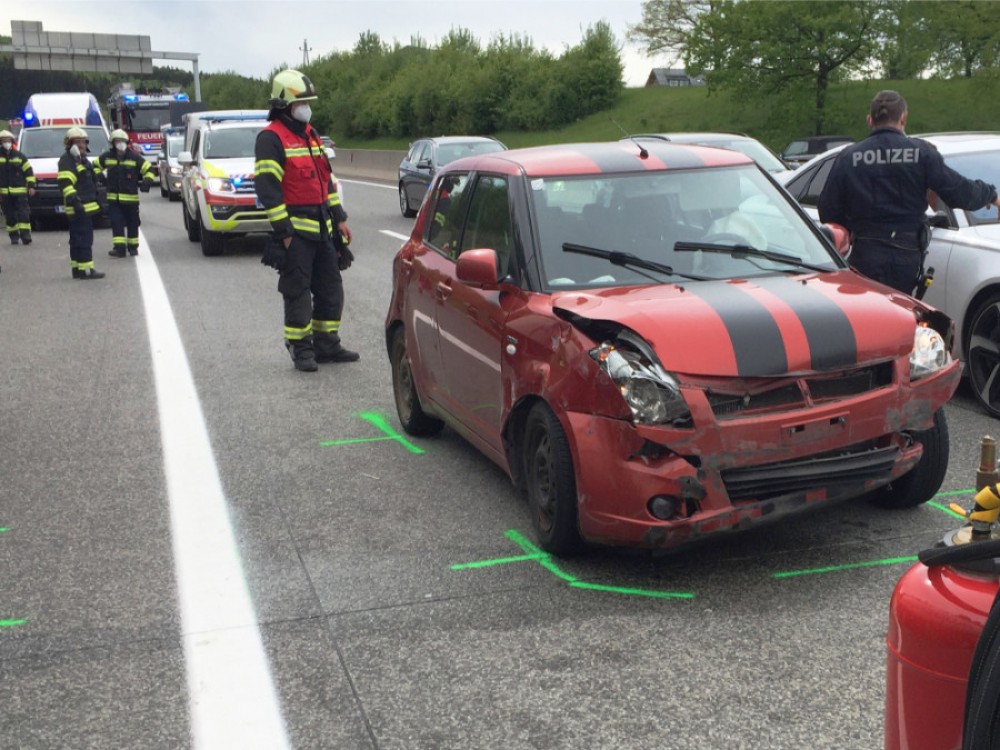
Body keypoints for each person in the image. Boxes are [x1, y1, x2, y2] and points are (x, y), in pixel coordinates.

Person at [818, 89, 1000, 293]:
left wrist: (851, 229)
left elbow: (828, 210)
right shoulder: (922, 153)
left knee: (870, 316)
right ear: (903, 118)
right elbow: (957, 190)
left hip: (865, 254)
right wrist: (991, 195)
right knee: (901, 314)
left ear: (870, 120)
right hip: (906, 256)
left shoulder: (848, 157)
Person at [254, 69, 357, 372]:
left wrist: (339, 218)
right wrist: (285, 233)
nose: (307, 107)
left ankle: (326, 343)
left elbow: (326, 181)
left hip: (323, 229)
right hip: (296, 232)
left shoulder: (310, 134)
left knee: (330, 288)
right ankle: (300, 348)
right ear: (286, 103)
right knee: (297, 291)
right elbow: (269, 191)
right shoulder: (271, 138)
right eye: (303, 102)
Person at [96, 129, 153, 258]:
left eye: (122, 141)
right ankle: (119, 249)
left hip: (130, 199)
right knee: (116, 222)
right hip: (114, 199)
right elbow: (94, 166)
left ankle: (133, 248)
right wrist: (99, 176)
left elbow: (148, 168)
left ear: (127, 143)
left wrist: (147, 180)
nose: (120, 144)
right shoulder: (107, 157)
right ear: (113, 143)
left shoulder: (134, 157)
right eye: (117, 141)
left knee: (133, 223)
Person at [57, 127, 105, 280]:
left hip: (86, 207)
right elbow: (66, 184)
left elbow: (90, 181)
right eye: (77, 142)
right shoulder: (67, 160)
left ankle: (77, 268)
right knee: (84, 239)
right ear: (69, 144)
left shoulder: (82, 160)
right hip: (79, 208)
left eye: (83, 142)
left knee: (78, 239)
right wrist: (75, 202)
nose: (81, 145)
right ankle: (86, 270)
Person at [0, 128, 36, 246]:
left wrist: (31, 186)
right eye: (4, 140)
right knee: (10, 216)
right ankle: (14, 237)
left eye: (8, 140)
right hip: (4, 193)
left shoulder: (20, 156)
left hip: (20, 192)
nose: (6, 143)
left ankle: (26, 236)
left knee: (23, 214)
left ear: (12, 141)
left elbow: (29, 172)